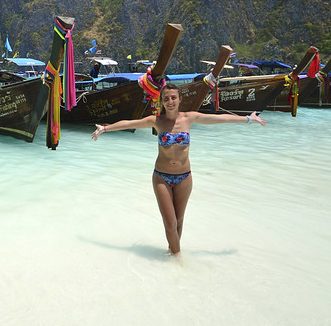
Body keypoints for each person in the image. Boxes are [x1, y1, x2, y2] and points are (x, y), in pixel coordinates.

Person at [91, 82, 266, 256]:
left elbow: (219, 119)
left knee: (179, 220)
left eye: (173, 97)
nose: (170, 101)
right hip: (161, 177)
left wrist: (248, 118)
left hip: (184, 177)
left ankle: (172, 251)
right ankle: (178, 259)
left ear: (180, 99)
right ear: (162, 102)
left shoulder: (189, 118)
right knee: (170, 223)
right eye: (166, 99)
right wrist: (105, 128)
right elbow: (130, 124)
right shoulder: (156, 121)